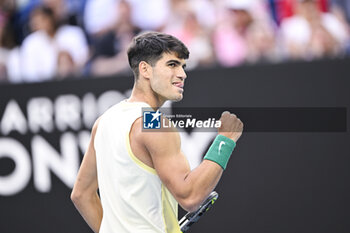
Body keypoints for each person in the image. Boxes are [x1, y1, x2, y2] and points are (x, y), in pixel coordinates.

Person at [71, 31, 243, 233]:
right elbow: (190, 196)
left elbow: (81, 194)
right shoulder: (154, 123)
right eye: (172, 65)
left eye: (183, 66)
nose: (182, 74)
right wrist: (225, 139)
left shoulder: (103, 121)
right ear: (145, 69)